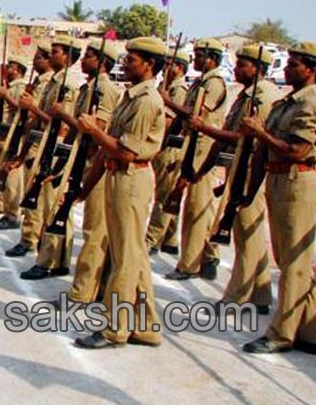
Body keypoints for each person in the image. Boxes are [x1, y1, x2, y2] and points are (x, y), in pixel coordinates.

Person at [75, 37, 167, 349]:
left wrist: (94, 131)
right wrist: (86, 188)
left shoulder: (146, 101)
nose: (124, 64)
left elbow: (127, 152)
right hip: (118, 177)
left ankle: (116, 329)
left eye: (131, 60)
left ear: (149, 65)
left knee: (125, 258)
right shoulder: (131, 97)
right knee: (133, 254)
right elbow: (108, 149)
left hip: (131, 179)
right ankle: (146, 326)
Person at [240, 42, 316, 356]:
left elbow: (297, 150)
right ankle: (309, 333)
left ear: (312, 70)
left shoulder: (311, 103)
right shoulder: (287, 103)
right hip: (280, 179)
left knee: (293, 263)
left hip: (297, 180)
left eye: (294, 64)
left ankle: (282, 333)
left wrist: (259, 132)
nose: (286, 68)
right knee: (291, 260)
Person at [188, 44, 278, 314]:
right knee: (249, 233)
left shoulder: (263, 96)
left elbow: (248, 137)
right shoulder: (246, 95)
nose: (236, 69)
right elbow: (230, 133)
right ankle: (260, 295)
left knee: (245, 233)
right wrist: (203, 168)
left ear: (257, 67)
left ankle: (236, 298)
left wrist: (205, 128)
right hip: (240, 167)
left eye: (242, 65)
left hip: (253, 168)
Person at [46, 39, 122, 301]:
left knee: (95, 231)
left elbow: (95, 127)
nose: (83, 60)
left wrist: (63, 115)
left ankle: (83, 292)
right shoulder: (89, 87)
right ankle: (93, 288)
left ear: (102, 62)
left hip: (97, 164)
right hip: (82, 160)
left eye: (89, 56)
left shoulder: (106, 90)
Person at [162, 38, 228, 281]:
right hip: (192, 146)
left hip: (202, 149)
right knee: (199, 208)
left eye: (200, 55)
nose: (196, 59)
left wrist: (167, 102)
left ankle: (191, 264)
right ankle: (208, 256)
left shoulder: (214, 84)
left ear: (211, 58)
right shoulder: (200, 83)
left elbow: (197, 115)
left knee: (197, 209)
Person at [18, 35, 80, 280]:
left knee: (54, 207)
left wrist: (34, 108)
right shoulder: (56, 82)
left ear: (67, 57)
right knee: (44, 206)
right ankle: (48, 256)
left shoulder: (69, 86)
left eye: (56, 52)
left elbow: (63, 127)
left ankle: (53, 261)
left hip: (57, 151)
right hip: (45, 146)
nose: (51, 55)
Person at [0, 42, 53, 257]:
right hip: (28, 137)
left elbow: (35, 114)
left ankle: (30, 237)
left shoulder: (48, 84)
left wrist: (18, 101)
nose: (35, 61)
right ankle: (28, 235)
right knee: (30, 192)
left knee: (33, 194)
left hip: (39, 142)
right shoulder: (41, 83)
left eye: (40, 57)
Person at [145, 50, 190, 255]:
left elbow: (171, 120)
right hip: (167, 146)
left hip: (170, 146)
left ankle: (152, 239)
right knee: (168, 193)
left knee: (163, 196)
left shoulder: (178, 89)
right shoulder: (168, 87)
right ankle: (170, 239)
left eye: (171, 64)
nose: (166, 68)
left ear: (179, 68)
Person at [0, 57, 29, 220]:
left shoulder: (20, 87)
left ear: (18, 71)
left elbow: (21, 109)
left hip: (12, 134)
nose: (7, 69)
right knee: (1, 171)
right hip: (2, 133)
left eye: (11, 67)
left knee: (10, 175)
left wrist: (6, 96)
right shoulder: (7, 86)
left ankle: (11, 211)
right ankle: (1, 205)